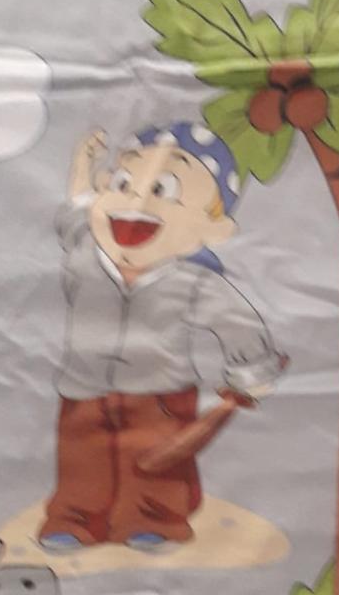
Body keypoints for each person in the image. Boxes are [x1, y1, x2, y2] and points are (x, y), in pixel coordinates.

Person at [40, 121, 283, 549]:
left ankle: (153, 516)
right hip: (83, 388)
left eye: (162, 190)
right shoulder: (86, 256)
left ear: (213, 228)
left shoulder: (191, 282)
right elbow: (76, 218)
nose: (136, 203)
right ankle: (77, 516)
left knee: (156, 463)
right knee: (83, 458)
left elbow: (236, 321)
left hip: (160, 394)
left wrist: (251, 369)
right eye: (122, 184)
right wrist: (81, 174)